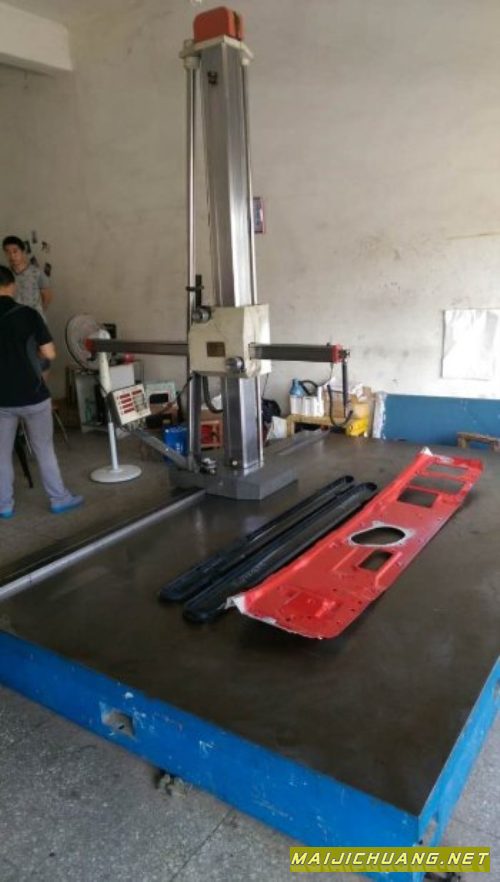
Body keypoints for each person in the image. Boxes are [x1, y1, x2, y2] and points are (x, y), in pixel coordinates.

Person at [0, 265, 83, 519]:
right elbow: (49, 353)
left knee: (1, 454)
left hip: (1, 399)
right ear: (12, 285)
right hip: (33, 394)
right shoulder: (27, 314)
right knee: (44, 449)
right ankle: (59, 499)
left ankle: (4, 505)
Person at [2, 235, 53, 320]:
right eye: (7, 252)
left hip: (34, 318)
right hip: (14, 319)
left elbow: (47, 295)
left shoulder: (37, 272)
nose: (12, 256)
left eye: (15, 251)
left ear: (23, 251)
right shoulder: (5, 275)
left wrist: (40, 311)